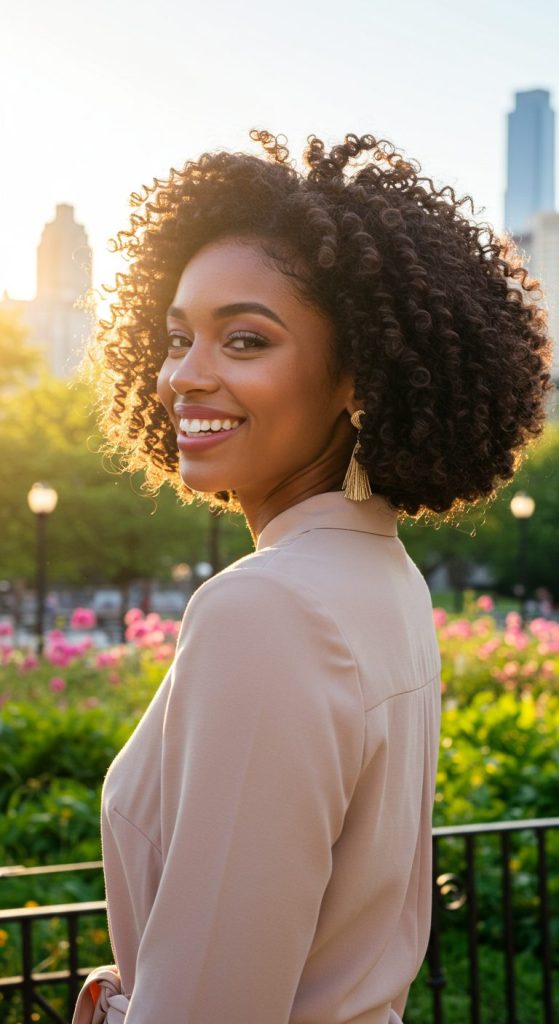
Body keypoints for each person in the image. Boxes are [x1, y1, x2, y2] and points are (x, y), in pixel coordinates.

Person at [72, 130, 553, 1024]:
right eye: (177, 338)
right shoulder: (382, 577)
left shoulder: (265, 607)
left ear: (357, 378)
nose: (183, 376)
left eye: (243, 340)